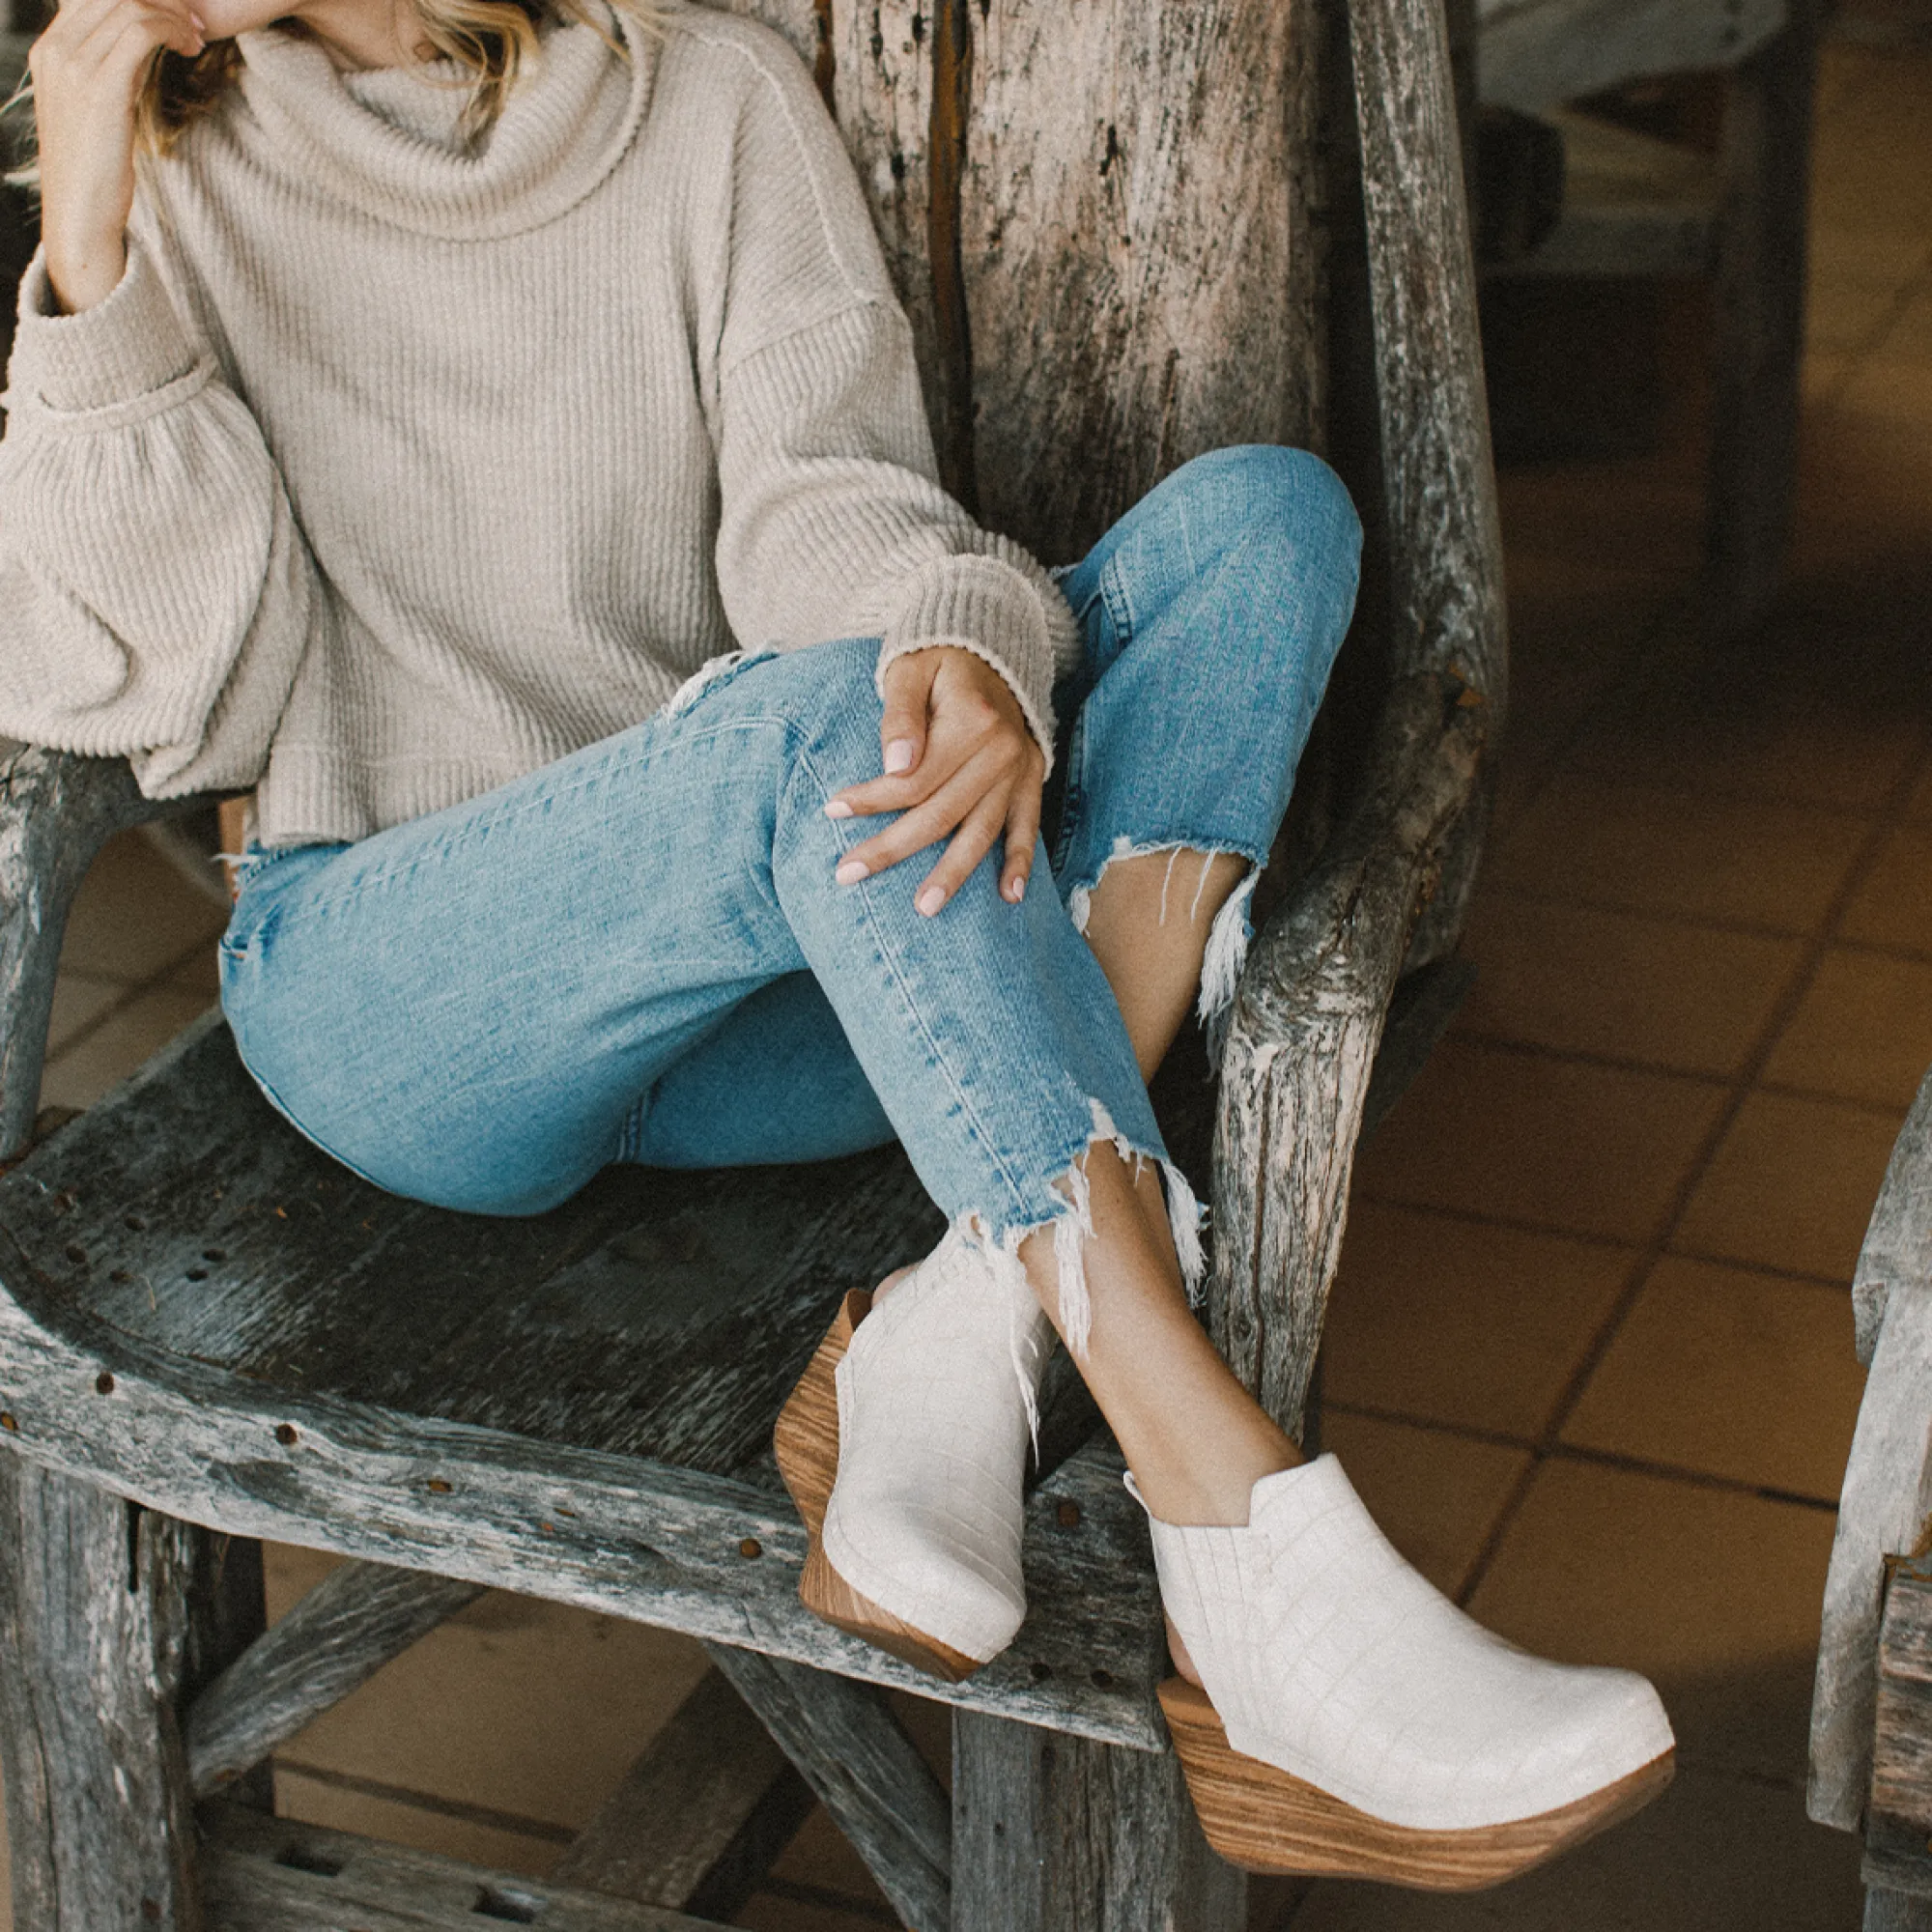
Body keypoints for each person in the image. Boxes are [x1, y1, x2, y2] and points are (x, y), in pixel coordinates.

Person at [4, 0, 1673, 1885]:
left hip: (780, 978)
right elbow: (137, 688)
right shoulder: (171, 167)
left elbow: (817, 505)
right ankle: (1229, 1520)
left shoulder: (704, 95)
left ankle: (969, 1308)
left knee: (1263, 522)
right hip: (400, 995)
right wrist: (89, 243)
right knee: (811, 727)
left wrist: (963, 641)